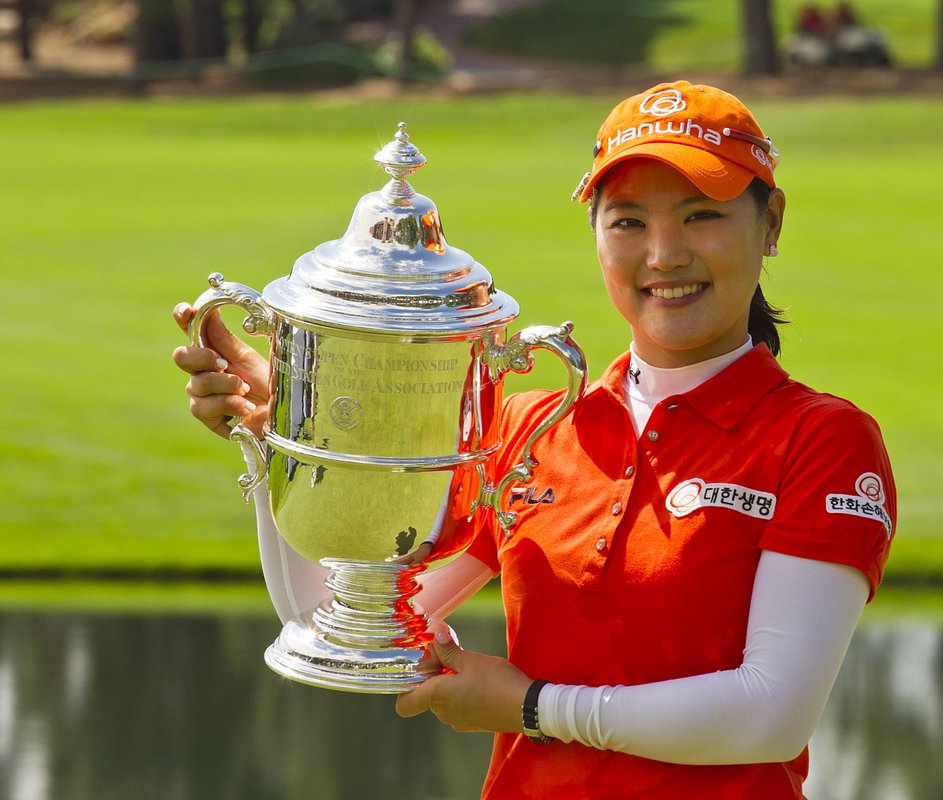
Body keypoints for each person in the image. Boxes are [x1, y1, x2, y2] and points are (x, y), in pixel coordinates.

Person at [172, 81, 896, 799]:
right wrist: (291, 444)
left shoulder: (822, 441)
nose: (665, 254)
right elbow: (337, 617)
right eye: (629, 222)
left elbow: (771, 716)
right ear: (596, 234)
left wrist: (531, 708)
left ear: (770, 224)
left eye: (701, 216)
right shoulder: (532, 427)